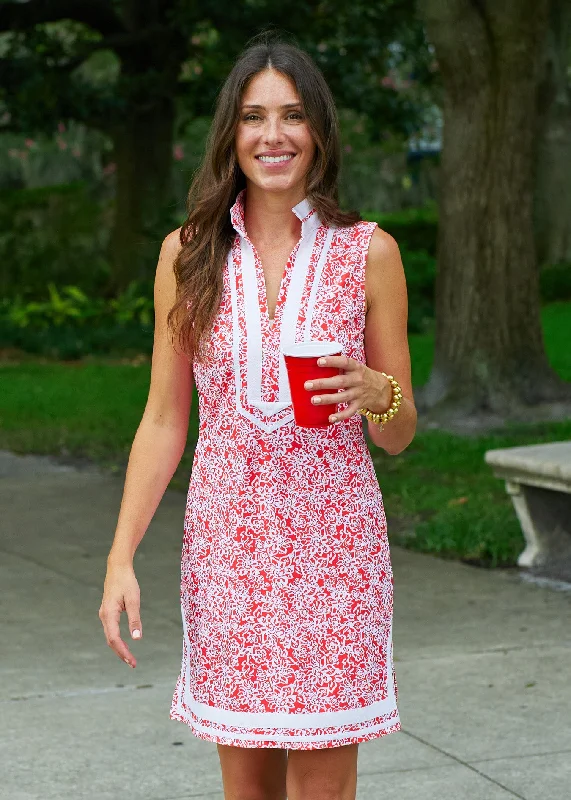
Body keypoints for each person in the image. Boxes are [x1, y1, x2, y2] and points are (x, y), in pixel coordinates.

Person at [99, 32, 417, 800]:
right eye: (253, 117)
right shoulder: (187, 256)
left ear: (318, 133)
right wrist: (119, 559)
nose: (272, 135)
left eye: (292, 115)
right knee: (247, 791)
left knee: (323, 787)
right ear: (230, 135)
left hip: (336, 549)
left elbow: (399, 435)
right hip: (228, 552)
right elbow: (165, 420)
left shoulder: (369, 254)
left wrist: (384, 396)